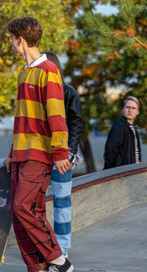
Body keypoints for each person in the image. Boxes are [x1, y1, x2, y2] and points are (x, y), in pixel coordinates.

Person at [4, 17, 74, 272]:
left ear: (20, 39)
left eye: (11, 38)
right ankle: (38, 270)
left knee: (24, 206)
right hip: (21, 153)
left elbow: (57, 115)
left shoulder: (49, 70)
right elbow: (21, 119)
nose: (10, 43)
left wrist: (60, 151)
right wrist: (11, 152)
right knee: (22, 211)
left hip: (40, 153)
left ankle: (59, 260)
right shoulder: (24, 73)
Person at [44, 51, 83, 259]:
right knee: (35, 202)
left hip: (63, 156)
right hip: (41, 153)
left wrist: (70, 152)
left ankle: (63, 246)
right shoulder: (39, 93)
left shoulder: (68, 92)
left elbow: (76, 124)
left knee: (62, 200)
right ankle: (42, 244)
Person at [104, 96, 142, 169]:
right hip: (121, 172)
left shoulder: (132, 129)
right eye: (127, 107)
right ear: (123, 109)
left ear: (137, 112)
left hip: (132, 171)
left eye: (133, 108)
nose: (130, 110)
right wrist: (113, 170)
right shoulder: (119, 126)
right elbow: (110, 151)